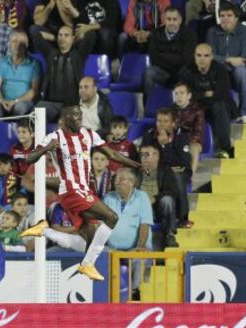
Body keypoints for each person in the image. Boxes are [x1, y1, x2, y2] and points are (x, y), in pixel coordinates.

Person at [20, 105, 141, 281]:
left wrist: (136, 165)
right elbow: (29, 158)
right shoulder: (55, 137)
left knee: (90, 240)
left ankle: (45, 230)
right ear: (65, 118)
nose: (79, 118)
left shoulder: (89, 134)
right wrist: (46, 149)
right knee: (112, 217)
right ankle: (87, 265)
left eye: (80, 115)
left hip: (83, 190)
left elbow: (112, 154)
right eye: (74, 115)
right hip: (71, 190)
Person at [103, 168, 153, 299]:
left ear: (132, 182)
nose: (117, 181)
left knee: (139, 258)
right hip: (113, 249)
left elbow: (145, 224)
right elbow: (101, 224)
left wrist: (141, 245)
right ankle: (102, 294)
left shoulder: (142, 197)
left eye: (122, 178)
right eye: (116, 178)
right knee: (98, 253)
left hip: (136, 247)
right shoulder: (108, 197)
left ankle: (136, 292)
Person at [179, 43, 235, 158]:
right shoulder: (186, 71)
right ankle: (183, 147)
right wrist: (206, 94)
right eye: (199, 55)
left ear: (211, 57)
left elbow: (222, 93)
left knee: (219, 105)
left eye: (206, 55)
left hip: (218, 105)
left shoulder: (220, 70)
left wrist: (197, 95)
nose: (202, 59)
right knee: (184, 107)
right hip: (197, 105)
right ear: (194, 56)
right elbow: (184, 95)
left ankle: (226, 147)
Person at [142, 107, 192, 228]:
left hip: (180, 173)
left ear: (173, 123)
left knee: (176, 175)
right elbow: (145, 161)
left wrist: (166, 146)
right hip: (158, 172)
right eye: (159, 121)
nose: (161, 125)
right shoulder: (149, 136)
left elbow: (182, 163)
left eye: (166, 121)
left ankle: (182, 218)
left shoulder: (181, 136)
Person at [33, 25, 95, 122]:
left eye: (66, 35)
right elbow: (34, 33)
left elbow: (91, 35)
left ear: (73, 38)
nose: (62, 38)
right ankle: (39, 137)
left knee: (74, 116)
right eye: (60, 35)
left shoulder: (78, 55)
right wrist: (54, 38)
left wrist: (77, 38)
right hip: (52, 104)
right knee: (38, 109)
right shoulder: (50, 53)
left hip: (72, 106)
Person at [207, 2, 246, 124]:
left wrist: (223, 61)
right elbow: (209, 56)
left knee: (242, 71)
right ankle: (225, 114)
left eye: (229, 15)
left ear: (236, 18)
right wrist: (229, 60)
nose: (225, 18)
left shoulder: (245, 32)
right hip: (220, 70)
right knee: (216, 72)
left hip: (239, 71)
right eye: (222, 15)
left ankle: (244, 113)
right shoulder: (212, 31)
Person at [144, 6, 197, 100]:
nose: (171, 22)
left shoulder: (189, 35)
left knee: (188, 72)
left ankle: (185, 107)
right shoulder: (156, 34)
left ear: (180, 20)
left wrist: (164, 56)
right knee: (149, 73)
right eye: (169, 19)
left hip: (181, 72)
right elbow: (154, 59)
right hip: (162, 72)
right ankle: (149, 105)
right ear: (164, 20)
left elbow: (187, 59)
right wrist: (175, 57)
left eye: (174, 19)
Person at [0, 30, 40, 119]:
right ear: (9, 44)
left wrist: (15, 101)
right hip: (4, 102)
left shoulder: (34, 64)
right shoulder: (1, 62)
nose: (17, 45)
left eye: (21, 42)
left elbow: (34, 91)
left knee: (20, 108)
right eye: (14, 41)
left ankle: (20, 131)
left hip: (23, 102)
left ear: (26, 45)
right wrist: (1, 100)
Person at [137, 144, 179, 248]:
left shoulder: (166, 171)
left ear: (156, 156)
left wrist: (155, 198)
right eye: (142, 155)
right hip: (140, 207)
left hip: (158, 207)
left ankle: (170, 235)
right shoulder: (134, 171)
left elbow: (173, 191)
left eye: (147, 155)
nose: (143, 157)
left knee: (168, 200)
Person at [172, 82, 205, 173]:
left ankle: (190, 177)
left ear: (189, 95)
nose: (179, 96)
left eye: (182, 93)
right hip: (174, 141)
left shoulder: (197, 111)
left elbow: (198, 132)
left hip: (191, 141)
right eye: (176, 94)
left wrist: (184, 142)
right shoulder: (171, 110)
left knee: (194, 148)